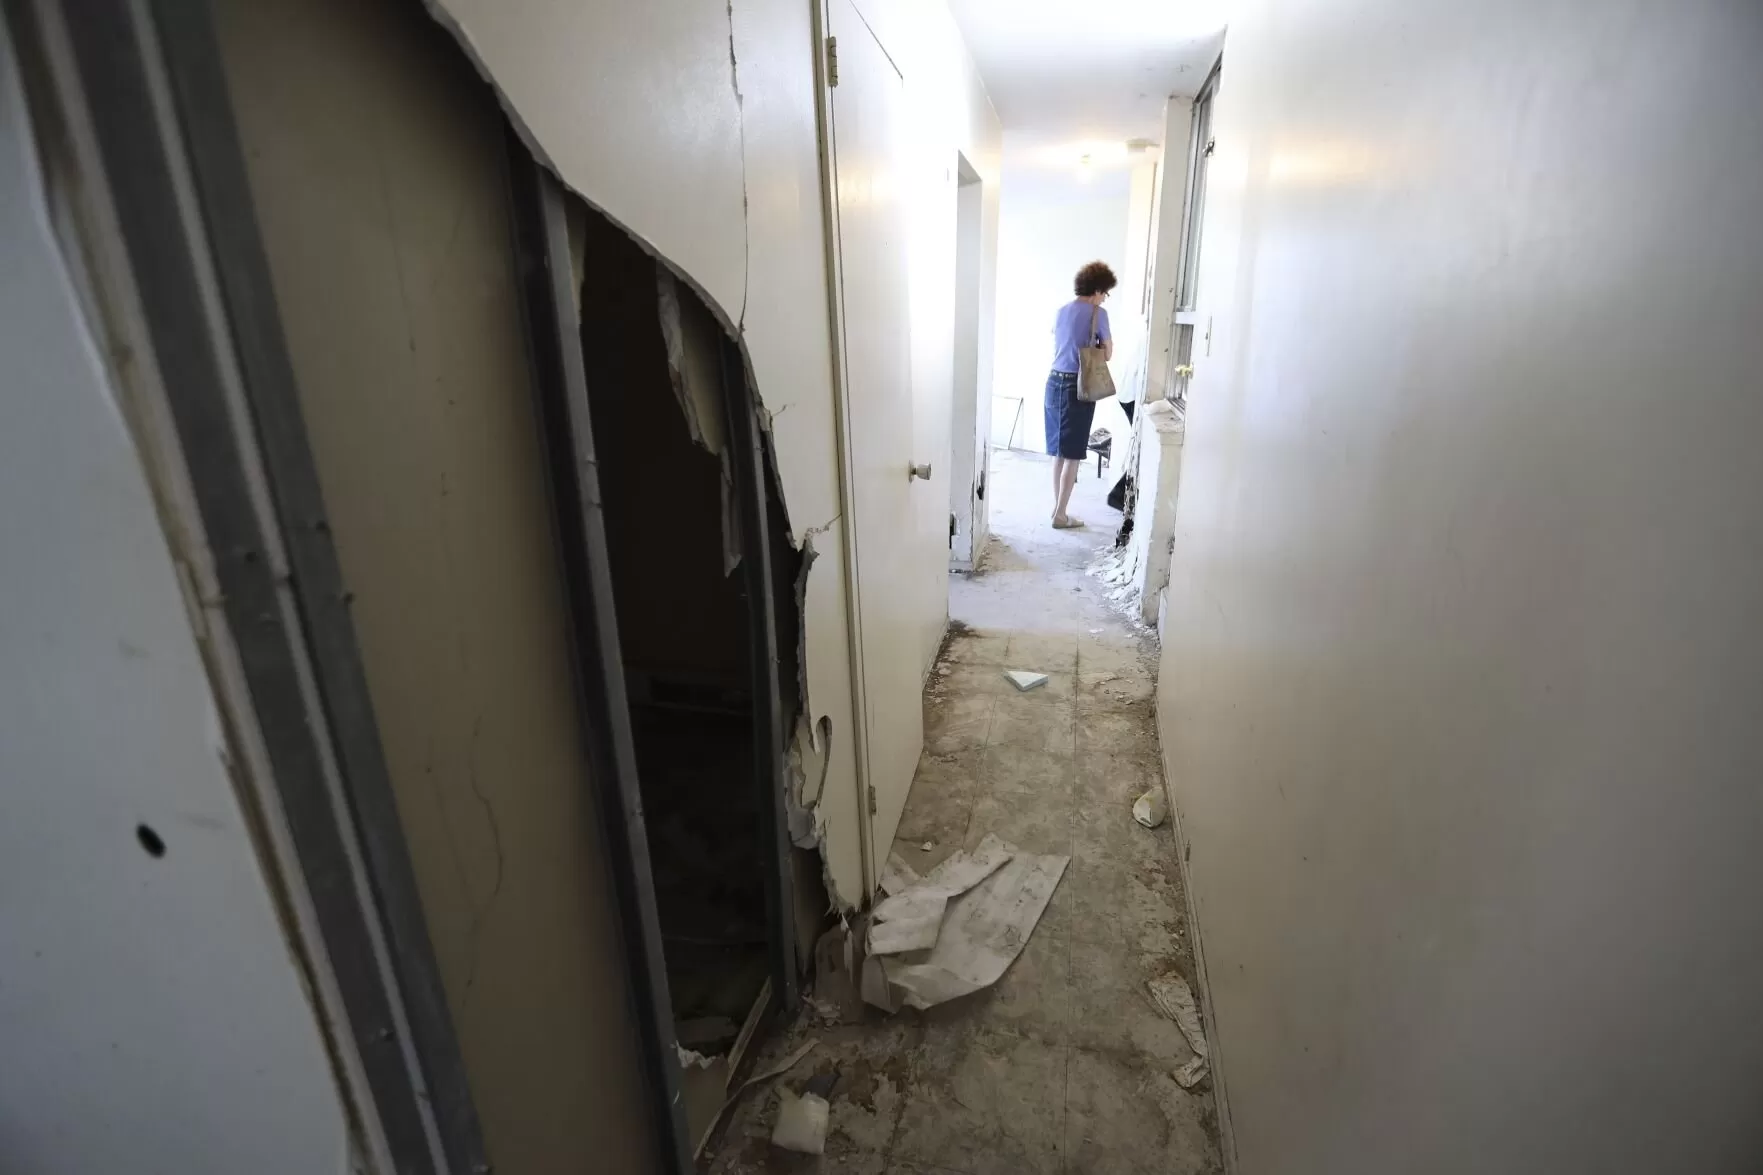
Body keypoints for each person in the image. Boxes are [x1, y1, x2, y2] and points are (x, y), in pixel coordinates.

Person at [1045, 260, 1116, 528]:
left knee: (1058, 452)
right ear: (1097, 289)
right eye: (1105, 292)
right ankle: (1061, 515)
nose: (1104, 298)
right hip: (1079, 385)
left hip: (1053, 382)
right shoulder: (1099, 314)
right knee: (1073, 454)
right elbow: (1107, 353)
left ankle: (1057, 509)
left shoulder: (1061, 311)